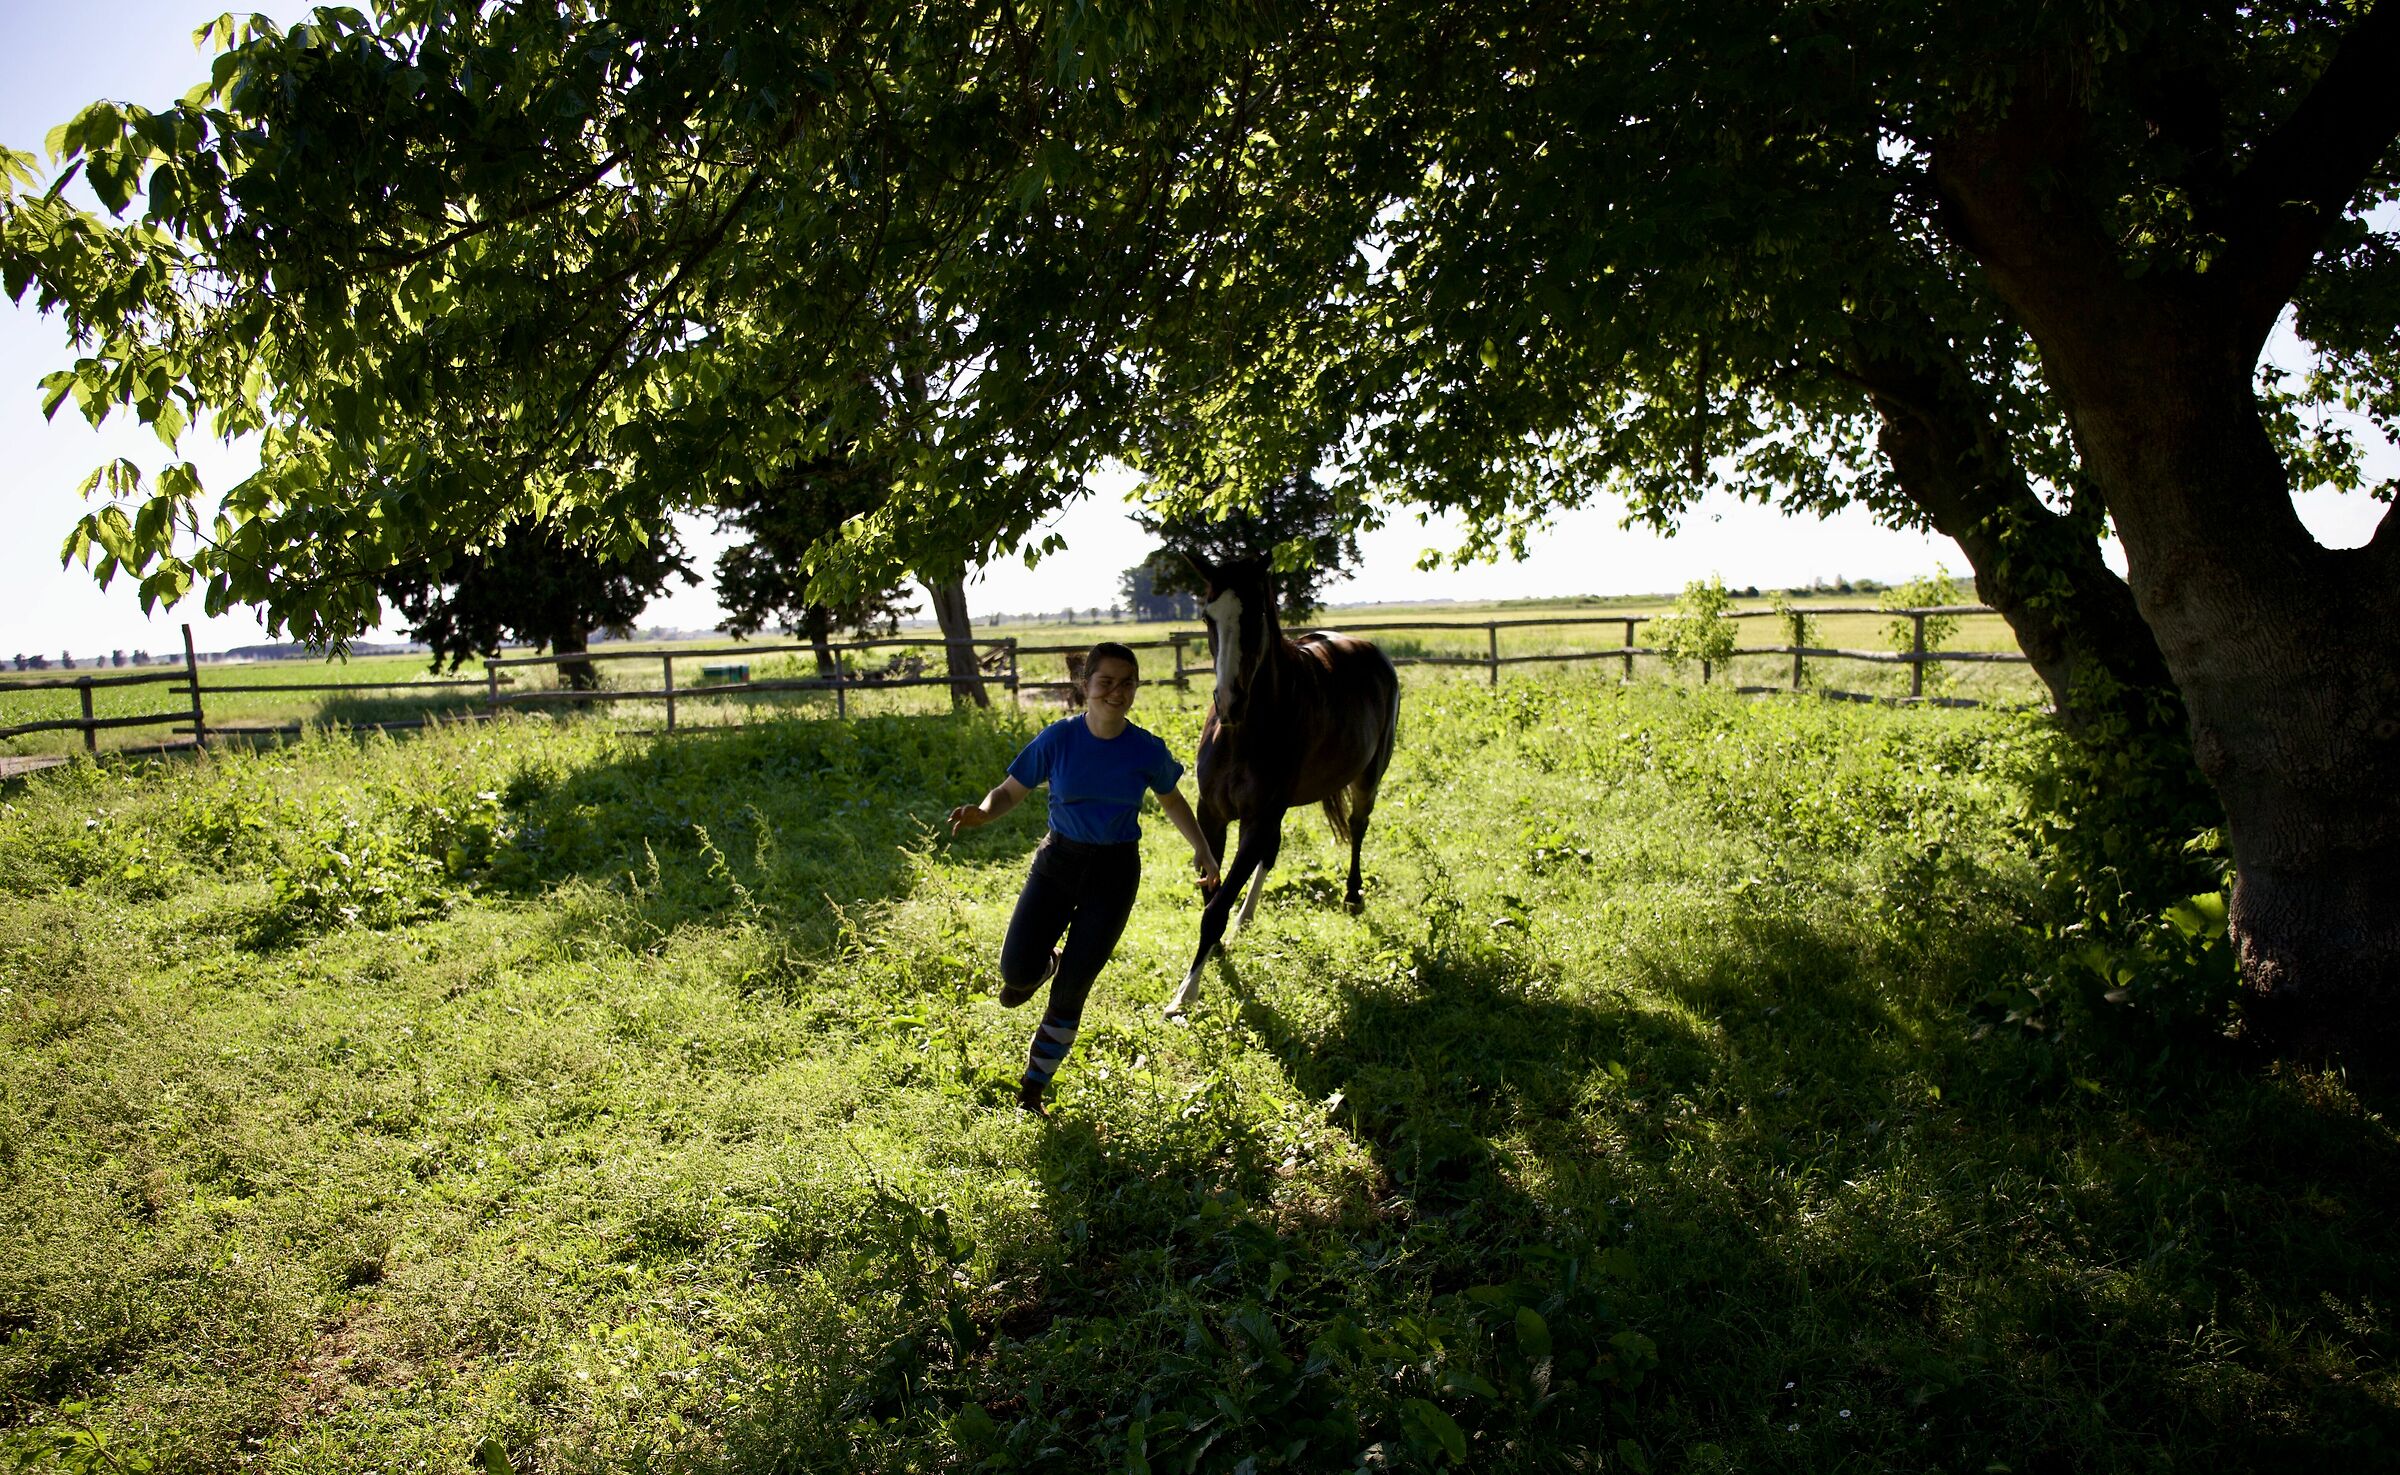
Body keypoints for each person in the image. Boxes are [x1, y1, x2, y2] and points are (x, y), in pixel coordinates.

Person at [949, 642, 1220, 1115]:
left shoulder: (1146, 749)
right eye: (1106, 681)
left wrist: (1202, 847)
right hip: (1058, 864)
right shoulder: (1058, 740)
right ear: (1086, 685)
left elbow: (1172, 799)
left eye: (1127, 682)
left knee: (1073, 988)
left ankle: (1033, 1088)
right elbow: (1011, 791)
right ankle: (1045, 963)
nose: (1116, 691)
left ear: (1136, 687)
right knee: (1015, 972)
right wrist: (983, 813)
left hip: (1115, 874)